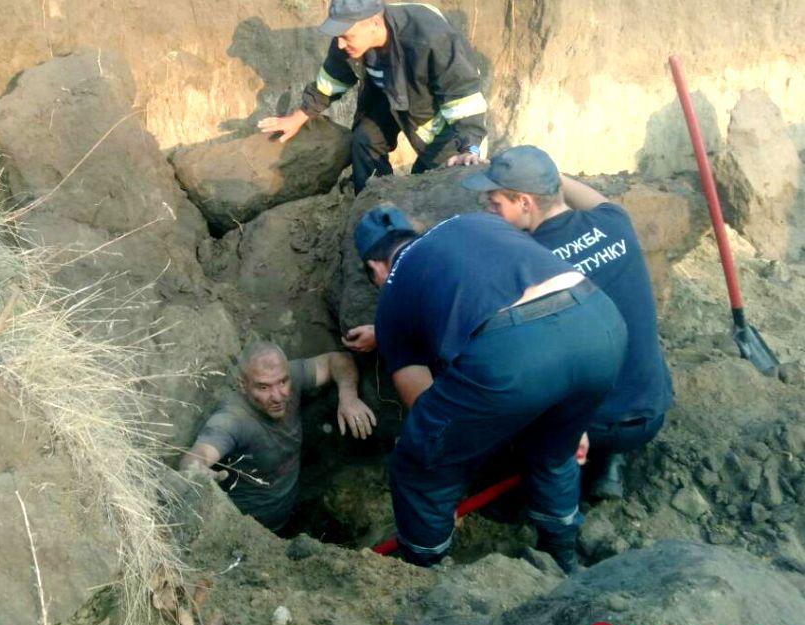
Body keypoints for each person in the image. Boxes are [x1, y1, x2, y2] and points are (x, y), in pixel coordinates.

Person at [355, 203, 627, 572]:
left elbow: (423, 407)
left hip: (514, 356)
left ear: (375, 268)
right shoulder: (474, 221)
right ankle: (562, 556)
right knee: (553, 450)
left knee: (418, 465)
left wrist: (447, 487)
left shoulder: (392, 296)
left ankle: (421, 570)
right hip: (600, 324)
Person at [464, 145, 673, 499]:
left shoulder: (528, 264)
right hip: (651, 409)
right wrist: (546, 174)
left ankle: (534, 492)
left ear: (526, 202)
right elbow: (587, 197)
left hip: (588, 428)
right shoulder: (614, 222)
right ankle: (610, 462)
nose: (487, 209)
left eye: (495, 203)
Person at [257, 0, 487, 193]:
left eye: (347, 37)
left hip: (437, 110)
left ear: (375, 23)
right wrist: (300, 116)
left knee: (436, 182)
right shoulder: (347, 38)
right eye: (338, 36)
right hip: (387, 96)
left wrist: (470, 147)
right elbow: (332, 79)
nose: (339, 44)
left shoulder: (430, 38)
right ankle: (371, 202)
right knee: (364, 139)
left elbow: (462, 95)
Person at [180, 341, 376, 533]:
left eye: (282, 382)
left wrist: (348, 396)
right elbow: (200, 454)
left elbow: (338, 359)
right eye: (263, 387)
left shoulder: (289, 377)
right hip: (252, 533)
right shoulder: (233, 419)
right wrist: (196, 470)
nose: (277, 396)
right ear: (242, 385)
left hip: (288, 512)